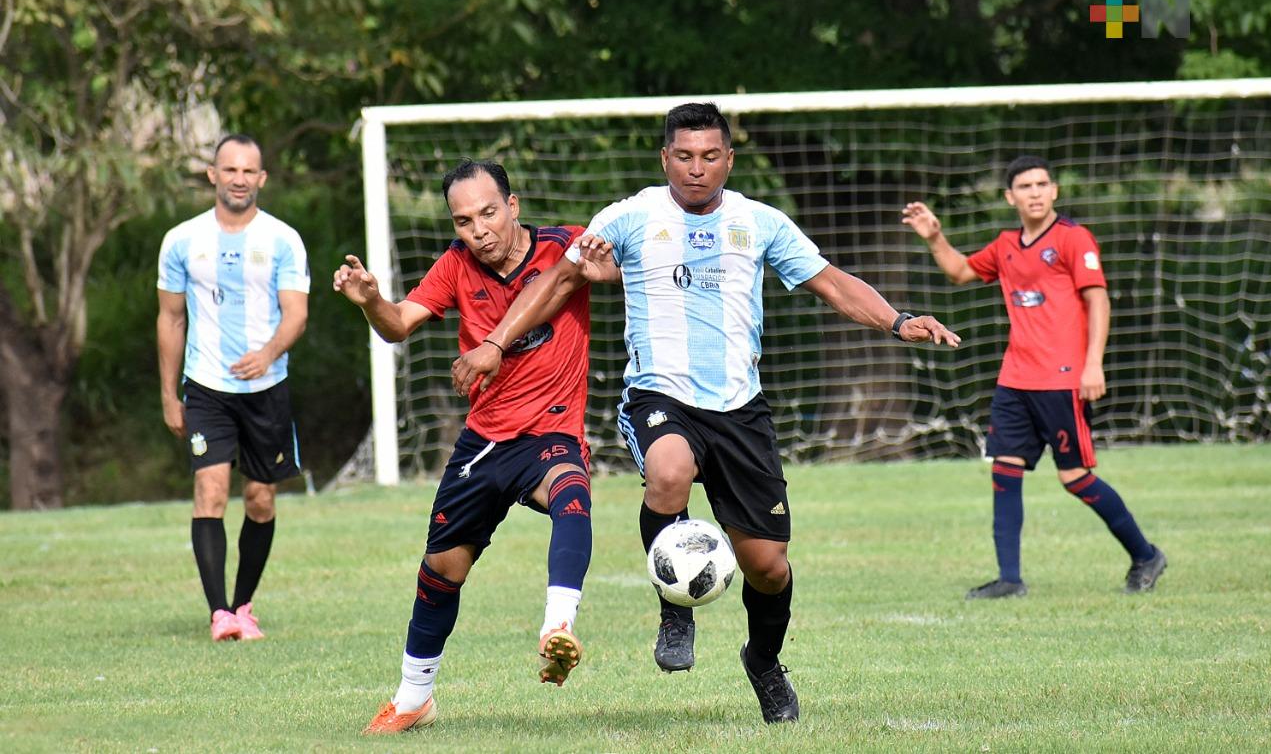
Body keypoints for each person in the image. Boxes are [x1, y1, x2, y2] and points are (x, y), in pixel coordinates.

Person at [451, 103, 960, 725]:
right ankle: (675, 607)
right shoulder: (631, 216)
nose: (697, 169)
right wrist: (495, 344)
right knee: (668, 473)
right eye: (684, 157)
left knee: (768, 568)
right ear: (665, 158)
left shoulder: (761, 222)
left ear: (729, 159)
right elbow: (559, 280)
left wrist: (899, 320)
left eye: (710, 156)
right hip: (659, 395)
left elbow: (831, 282)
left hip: (740, 411)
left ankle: (765, 663)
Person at [335, 159, 616, 735]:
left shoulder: (565, 246)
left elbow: (599, 268)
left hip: (552, 430)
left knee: (572, 491)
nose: (478, 230)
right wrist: (370, 301)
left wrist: (612, 270)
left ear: (513, 206)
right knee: (441, 571)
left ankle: (557, 628)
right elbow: (398, 324)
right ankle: (414, 699)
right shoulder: (455, 267)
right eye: (463, 221)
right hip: (485, 443)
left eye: (488, 213)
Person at [902, 155, 1167, 600]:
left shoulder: (1072, 238)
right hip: (1015, 380)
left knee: (1076, 479)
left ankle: (1146, 555)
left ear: (1055, 191)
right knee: (1005, 472)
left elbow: (1098, 301)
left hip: (1062, 379)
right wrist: (935, 237)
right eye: (1025, 186)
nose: (1036, 192)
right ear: (1011, 197)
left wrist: (1093, 363)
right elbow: (961, 270)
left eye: (1043, 184)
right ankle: (1010, 580)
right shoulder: (1006, 245)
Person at [156, 134, 310, 642]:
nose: (239, 179)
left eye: (249, 171)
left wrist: (266, 354)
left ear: (261, 179)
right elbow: (170, 319)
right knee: (210, 490)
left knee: (261, 499)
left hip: (267, 389)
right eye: (230, 170)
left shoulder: (283, 240)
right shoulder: (182, 240)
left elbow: (297, 314)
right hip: (206, 388)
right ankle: (220, 613)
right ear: (213, 175)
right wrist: (168, 394)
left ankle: (244, 605)